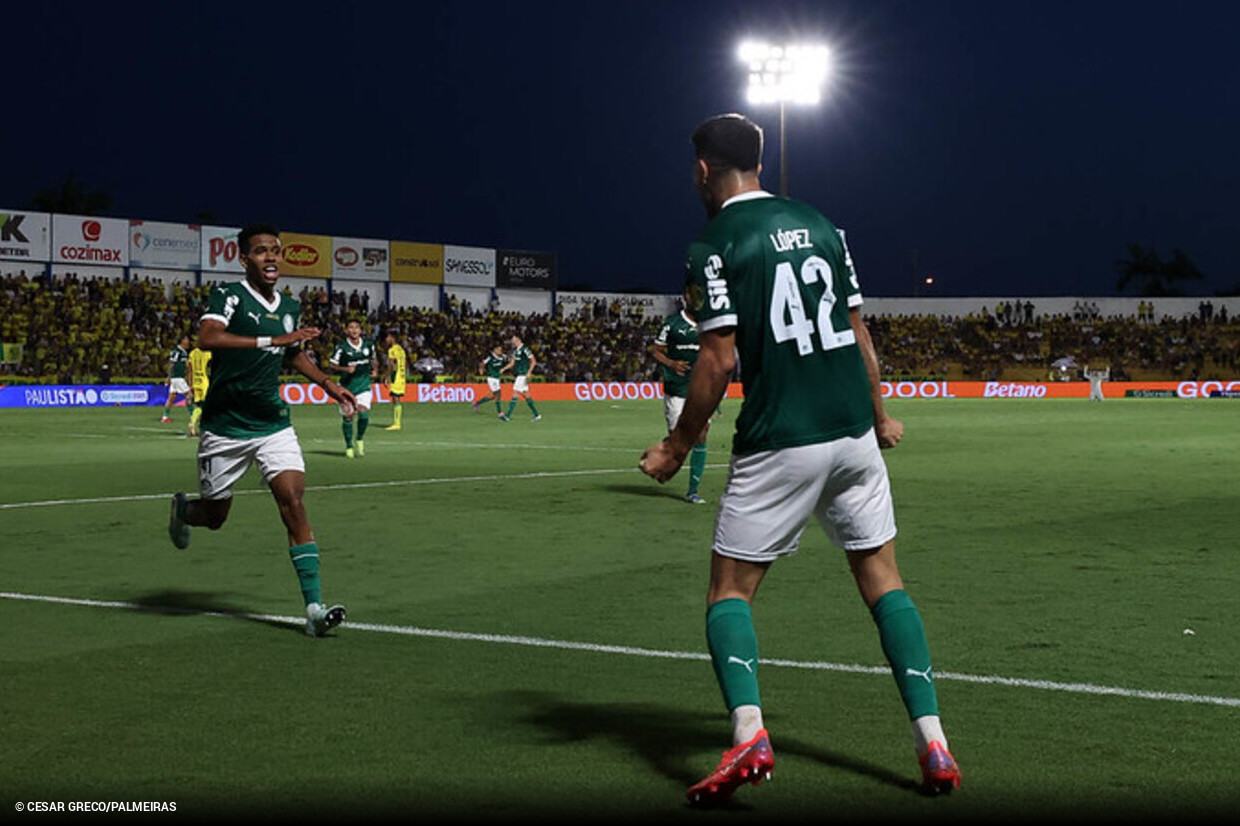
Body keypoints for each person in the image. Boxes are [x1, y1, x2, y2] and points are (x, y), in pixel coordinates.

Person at [639, 114, 960, 806]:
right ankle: (932, 738)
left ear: (702, 171)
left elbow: (718, 358)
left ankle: (750, 731)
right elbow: (856, 330)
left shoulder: (712, 242)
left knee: (729, 592)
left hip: (782, 436)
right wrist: (878, 415)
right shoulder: (820, 223)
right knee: (884, 581)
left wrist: (677, 445)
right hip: (852, 433)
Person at [166, 223, 353, 637]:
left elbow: (295, 354)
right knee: (215, 517)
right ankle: (183, 509)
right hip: (226, 426)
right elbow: (207, 338)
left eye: (276, 251)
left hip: (272, 423)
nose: (271, 257)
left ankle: (314, 609)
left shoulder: (289, 306)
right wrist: (274, 339)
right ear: (244, 259)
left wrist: (328, 384)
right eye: (261, 251)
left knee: (293, 502)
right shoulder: (229, 296)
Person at [650, 285, 710, 504]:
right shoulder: (672, 324)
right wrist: (671, 363)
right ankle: (662, 453)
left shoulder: (709, 325)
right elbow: (655, 350)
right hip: (677, 389)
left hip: (701, 389)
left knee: (702, 434)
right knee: (680, 440)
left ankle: (693, 490)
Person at [329, 319, 378, 457]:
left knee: (364, 414)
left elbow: (373, 359)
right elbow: (331, 365)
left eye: (357, 327)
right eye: (351, 327)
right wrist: (345, 368)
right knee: (348, 417)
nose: (354, 330)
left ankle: (360, 439)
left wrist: (375, 370)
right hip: (346, 388)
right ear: (346, 330)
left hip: (363, 385)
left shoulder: (368, 344)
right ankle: (349, 446)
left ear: (361, 330)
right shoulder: (341, 347)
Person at [500, 334, 540, 422]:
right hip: (519, 374)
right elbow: (512, 363)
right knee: (526, 394)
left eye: (513, 339)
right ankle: (537, 414)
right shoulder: (515, 351)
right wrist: (503, 369)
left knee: (515, 393)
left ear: (518, 339)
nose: (512, 341)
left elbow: (533, 361)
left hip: (523, 374)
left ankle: (507, 415)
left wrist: (529, 372)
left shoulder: (525, 349)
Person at [160, 334, 191, 424]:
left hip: (176, 378)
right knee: (189, 395)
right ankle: (193, 415)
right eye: (186, 339)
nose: (188, 341)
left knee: (172, 398)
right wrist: (169, 376)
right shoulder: (179, 352)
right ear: (182, 341)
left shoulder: (180, 351)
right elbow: (172, 364)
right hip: (178, 378)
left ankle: (165, 417)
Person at [186, 338, 213, 437]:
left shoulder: (192, 353)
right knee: (204, 406)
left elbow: (189, 368)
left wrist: (190, 385)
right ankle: (193, 424)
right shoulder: (207, 353)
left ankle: (199, 425)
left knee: (198, 405)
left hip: (195, 382)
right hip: (203, 381)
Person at [472, 344, 508, 416]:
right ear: (495, 350)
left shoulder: (503, 357)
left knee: (492, 396)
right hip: (491, 378)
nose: (500, 351)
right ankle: (499, 412)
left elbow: (510, 359)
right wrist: (481, 369)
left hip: (497, 378)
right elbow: (482, 363)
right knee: (498, 393)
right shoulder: (490, 357)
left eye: (501, 350)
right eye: (499, 350)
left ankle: (476, 403)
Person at [384, 330, 407, 431]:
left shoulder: (392, 350)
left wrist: (387, 376)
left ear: (393, 338)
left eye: (388, 337)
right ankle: (397, 422)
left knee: (396, 398)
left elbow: (391, 364)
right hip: (402, 376)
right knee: (396, 398)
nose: (386, 339)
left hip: (395, 376)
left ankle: (397, 423)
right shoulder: (401, 350)